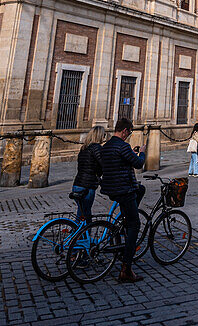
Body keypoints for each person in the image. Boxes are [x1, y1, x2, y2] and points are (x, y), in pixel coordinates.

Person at [100, 117, 147, 283]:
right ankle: (126, 268)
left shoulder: (106, 147)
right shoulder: (123, 146)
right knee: (135, 225)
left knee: (141, 189)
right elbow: (139, 164)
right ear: (125, 131)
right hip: (124, 190)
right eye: (130, 132)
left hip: (111, 188)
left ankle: (126, 219)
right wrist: (142, 152)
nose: (129, 135)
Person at [70, 125, 109, 222]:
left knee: (81, 212)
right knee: (86, 216)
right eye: (103, 135)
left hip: (77, 184)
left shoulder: (84, 148)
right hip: (87, 186)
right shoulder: (97, 148)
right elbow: (104, 164)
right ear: (99, 135)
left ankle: (77, 233)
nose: (104, 138)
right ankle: (82, 235)